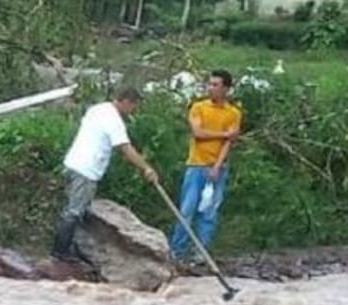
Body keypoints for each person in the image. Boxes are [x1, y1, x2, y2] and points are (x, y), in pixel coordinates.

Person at [53, 87, 158, 261]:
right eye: (133, 107)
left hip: (73, 163)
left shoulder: (98, 109)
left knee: (79, 209)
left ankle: (72, 247)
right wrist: (146, 168)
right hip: (85, 169)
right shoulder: (113, 119)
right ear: (126, 101)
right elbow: (125, 147)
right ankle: (60, 251)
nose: (133, 111)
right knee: (74, 211)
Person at [170, 70, 242, 261]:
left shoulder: (233, 113)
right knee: (186, 210)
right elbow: (198, 133)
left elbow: (229, 144)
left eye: (216, 85)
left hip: (217, 167)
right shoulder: (198, 108)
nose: (211, 88)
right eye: (209, 84)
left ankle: (200, 254)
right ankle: (177, 251)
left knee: (209, 212)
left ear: (226, 88)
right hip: (196, 165)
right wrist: (224, 134)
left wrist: (217, 166)